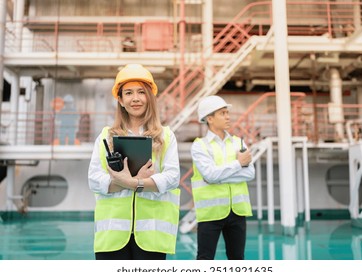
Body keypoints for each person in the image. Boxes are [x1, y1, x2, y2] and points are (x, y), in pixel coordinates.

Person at [88, 64, 181, 260]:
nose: (135, 98)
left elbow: (172, 177)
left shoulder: (166, 136)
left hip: (151, 235)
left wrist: (133, 183)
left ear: (150, 97)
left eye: (141, 92)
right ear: (120, 100)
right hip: (112, 234)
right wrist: (129, 182)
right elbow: (94, 179)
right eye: (128, 93)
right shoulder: (106, 136)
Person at [190, 95, 254, 260]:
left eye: (227, 112)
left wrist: (219, 175)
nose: (228, 117)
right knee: (205, 259)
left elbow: (250, 173)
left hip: (237, 212)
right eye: (223, 113)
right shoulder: (200, 145)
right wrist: (238, 165)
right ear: (209, 118)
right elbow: (210, 175)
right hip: (210, 213)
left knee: (237, 259)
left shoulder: (238, 142)